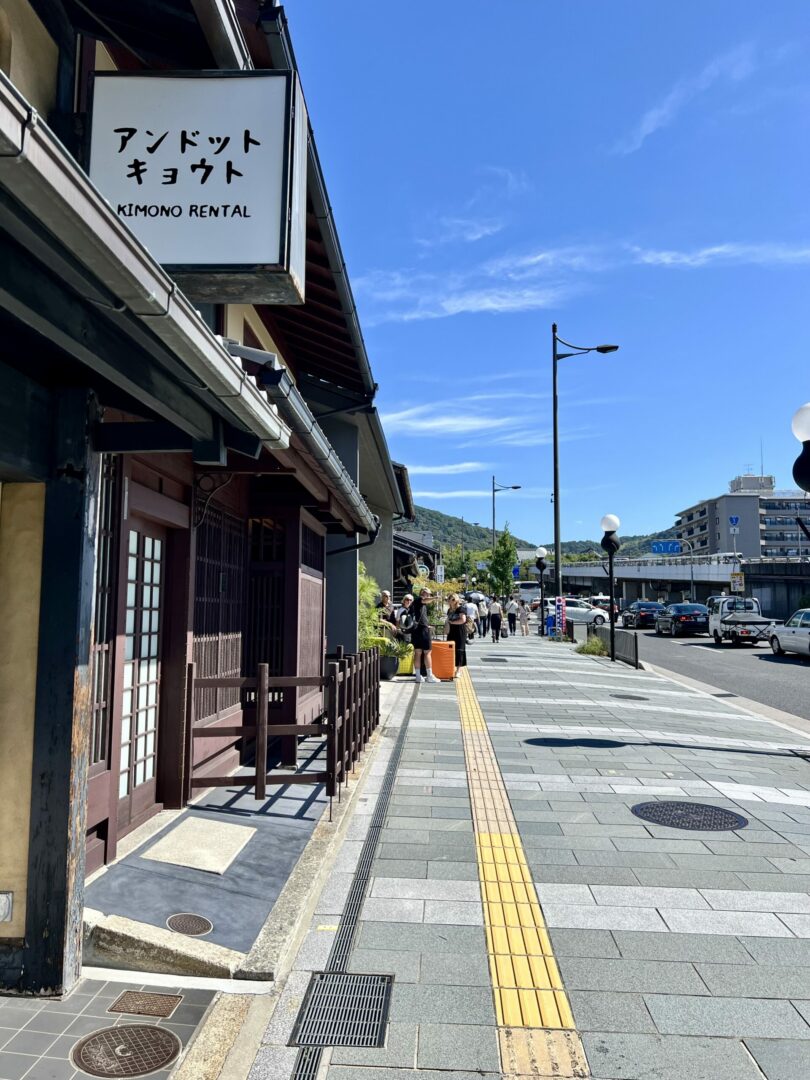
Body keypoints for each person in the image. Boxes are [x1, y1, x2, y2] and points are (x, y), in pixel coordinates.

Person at [410, 588, 440, 684]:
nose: (429, 596)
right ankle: (429, 676)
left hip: (416, 630)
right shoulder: (419, 600)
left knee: (418, 652)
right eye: (428, 594)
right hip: (422, 630)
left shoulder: (417, 602)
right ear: (423, 593)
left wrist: (427, 625)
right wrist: (435, 598)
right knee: (427, 652)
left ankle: (418, 676)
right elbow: (424, 600)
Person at [446, 593, 469, 678]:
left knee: (459, 650)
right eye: (450, 599)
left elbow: (463, 620)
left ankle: (459, 670)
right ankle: (451, 667)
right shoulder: (449, 610)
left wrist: (452, 622)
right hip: (451, 631)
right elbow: (448, 619)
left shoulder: (461, 609)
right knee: (450, 649)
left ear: (457, 600)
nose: (452, 601)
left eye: (453, 599)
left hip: (460, 631)